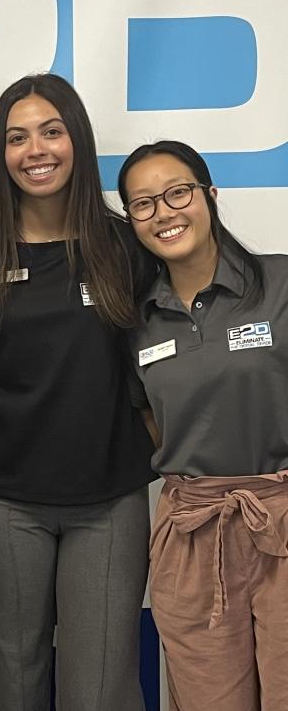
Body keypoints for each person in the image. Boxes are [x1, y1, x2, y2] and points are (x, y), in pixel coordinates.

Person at [0, 73, 157, 711]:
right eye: (17, 137)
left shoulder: (125, 243)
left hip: (109, 500)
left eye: (52, 131)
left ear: (78, 141)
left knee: (100, 685)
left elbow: (153, 364)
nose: (36, 149)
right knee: (12, 680)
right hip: (4, 501)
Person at [118, 140, 288, 711]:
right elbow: (151, 420)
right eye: (143, 204)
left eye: (177, 192)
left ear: (209, 196)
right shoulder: (136, 323)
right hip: (193, 533)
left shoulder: (281, 285)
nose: (164, 212)